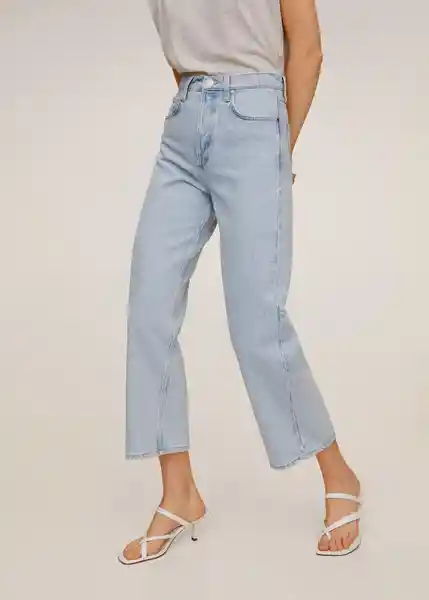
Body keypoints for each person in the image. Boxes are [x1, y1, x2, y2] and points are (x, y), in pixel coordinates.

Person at [118, 0, 361, 565]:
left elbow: (307, 45)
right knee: (149, 308)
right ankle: (179, 491)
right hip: (184, 127)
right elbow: (179, 49)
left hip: (255, 119)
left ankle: (338, 472)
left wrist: (276, 146)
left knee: (257, 322)